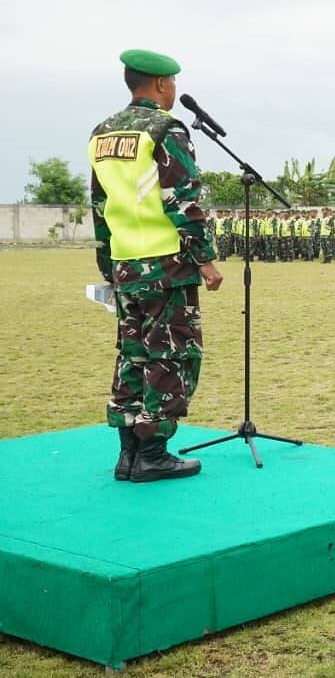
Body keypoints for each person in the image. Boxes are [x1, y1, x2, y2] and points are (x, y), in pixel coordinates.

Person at [88, 49, 222, 482]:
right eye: (172, 84)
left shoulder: (102, 134)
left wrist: (107, 261)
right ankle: (154, 453)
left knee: (133, 352)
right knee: (172, 353)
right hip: (165, 265)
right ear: (162, 84)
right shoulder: (165, 129)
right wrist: (205, 259)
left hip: (126, 264)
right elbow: (183, 199)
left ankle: (128, 453)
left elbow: (100, 204)